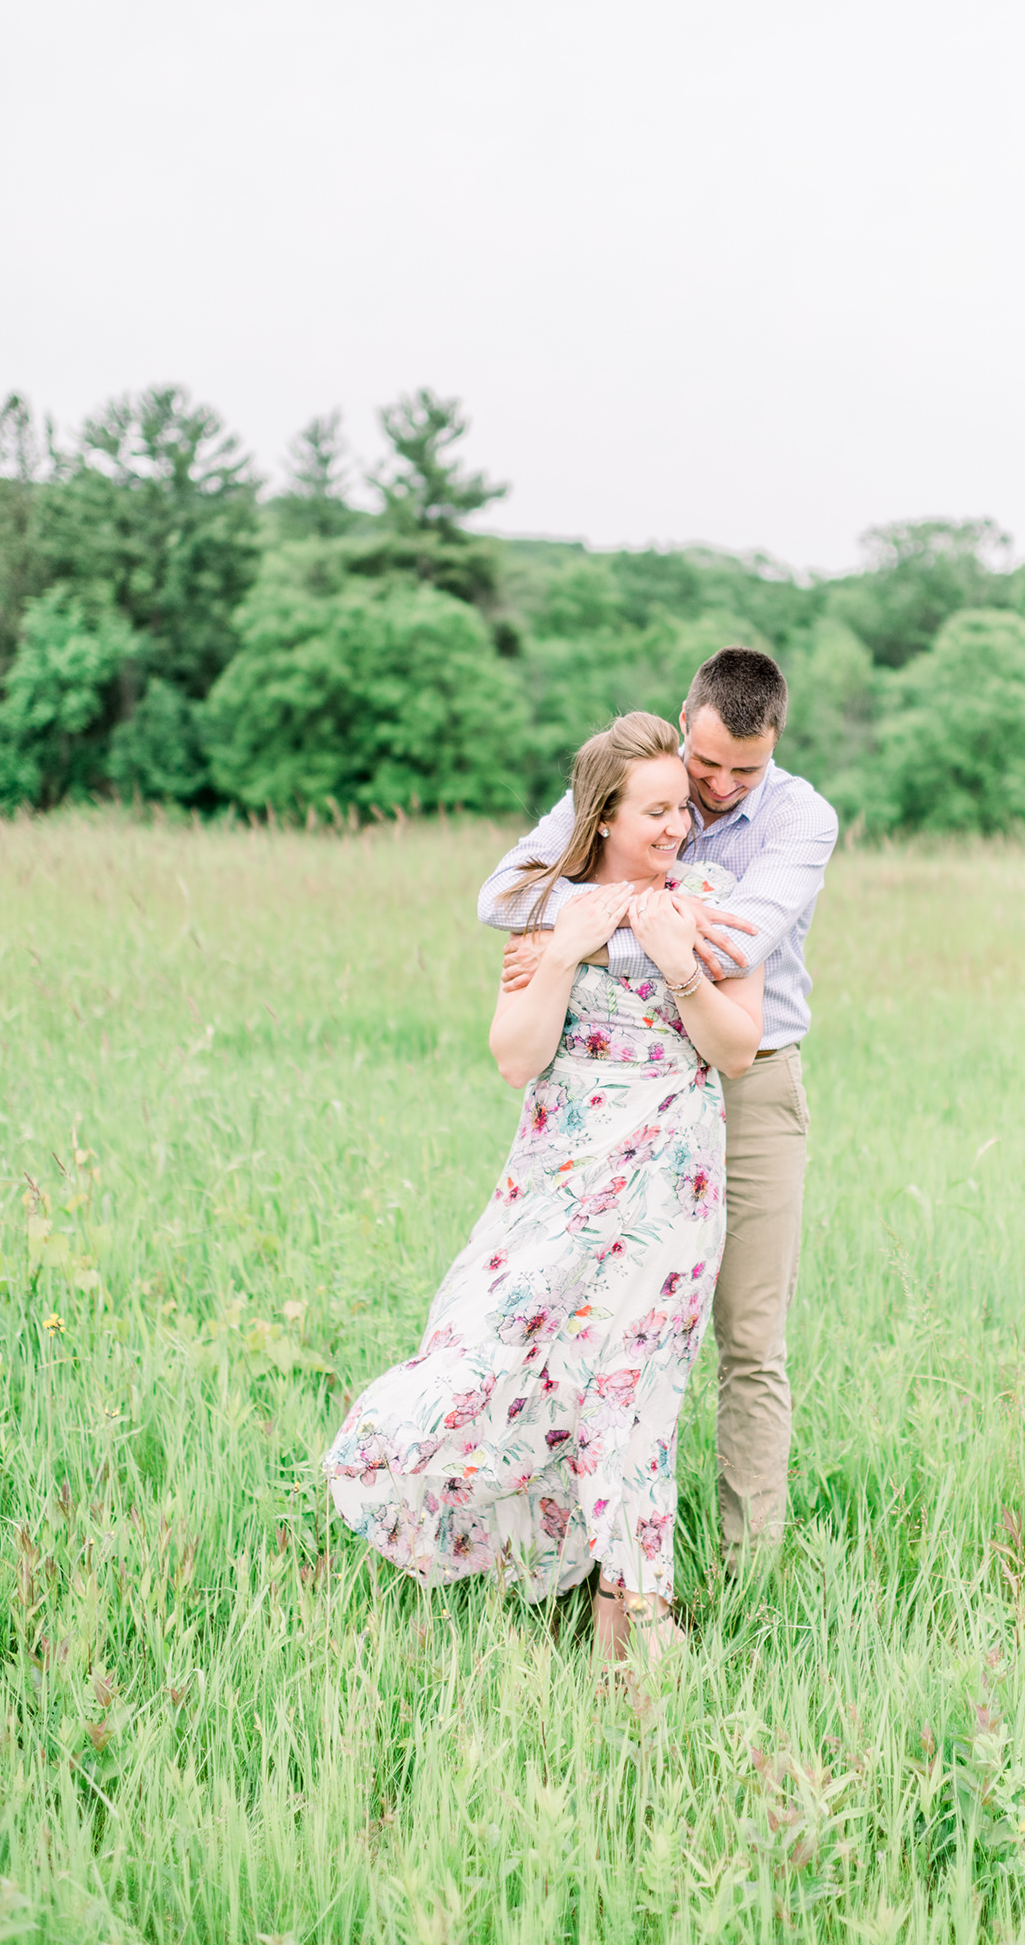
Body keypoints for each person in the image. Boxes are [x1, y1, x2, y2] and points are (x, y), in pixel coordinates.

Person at [322, 712, 763, 1669]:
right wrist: (567, 950)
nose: (676, 828)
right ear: (600, 816)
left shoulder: (715, 897)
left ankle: (630, 1611)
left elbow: (735, 1048)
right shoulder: (547, 906)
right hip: (556, 1176)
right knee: (496, 1343)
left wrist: (681, 965)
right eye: (654, 813)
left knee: (640, 1385)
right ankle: (516, 1544)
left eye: (681, 810)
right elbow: (516, 1058)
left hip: (669, 1179)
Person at [480, 647, 838, 1572]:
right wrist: (591, 926)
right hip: (621, 1087)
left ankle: (745, 1565)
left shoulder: (801, 818)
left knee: (749, 1337)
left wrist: (583, 944)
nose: (712, 791)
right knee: (596, 1320)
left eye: (740, 772)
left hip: (746, 1076)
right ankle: (576, 1552)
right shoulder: (642, 772)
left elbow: (733, 945)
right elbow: (503, 893)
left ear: (776, 747)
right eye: (704, 762)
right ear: (686, 718)